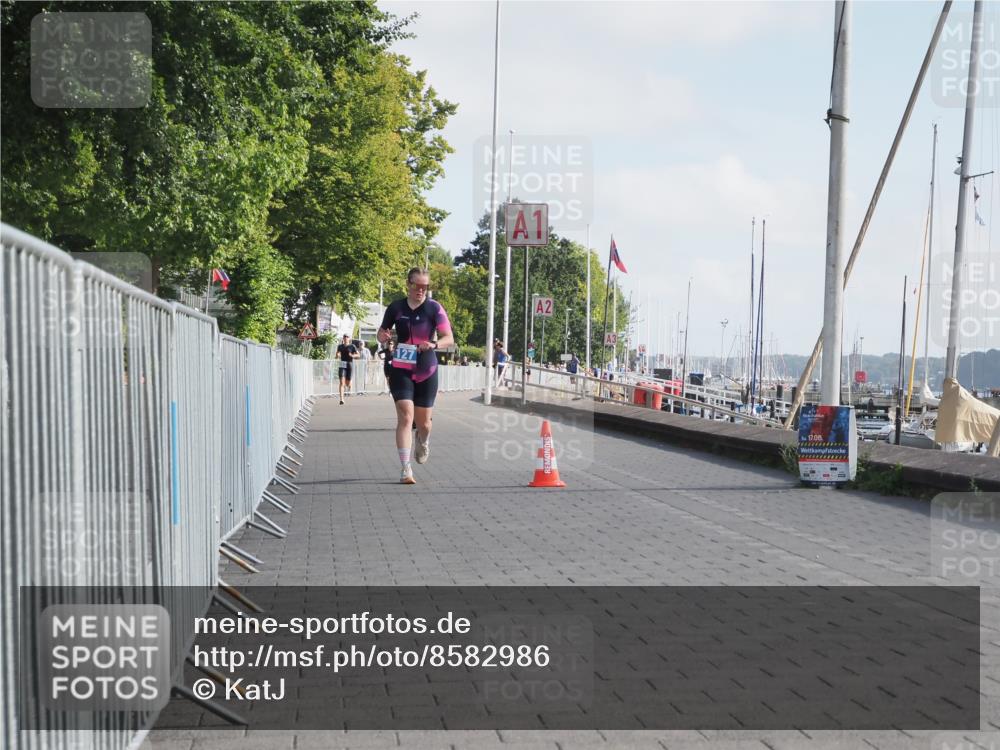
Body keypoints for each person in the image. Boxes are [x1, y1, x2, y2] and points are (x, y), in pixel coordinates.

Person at [377, 267, 454, 484]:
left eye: (425, 287)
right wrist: (382, 336)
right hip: (401, 367)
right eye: (417, 286)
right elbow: (381, 332)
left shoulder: (434, 308)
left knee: (424, 423)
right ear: (408, 284)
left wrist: (434, 344)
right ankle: (405, 468)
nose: (421, 290)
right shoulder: (396, 307)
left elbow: (449, 338)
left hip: (426, 369)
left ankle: (423, 439)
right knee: (405, 416)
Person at [335, 333, 360, 405]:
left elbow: (358, 355)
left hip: (349, 365)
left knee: (347, 383)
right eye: (344, 337)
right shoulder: (340, 346)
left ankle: (349, 384)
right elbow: (337, 355)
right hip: (342, 364)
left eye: (347, 337)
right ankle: (341, 399)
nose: (346, 338)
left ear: (349, 339)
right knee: (342, 383)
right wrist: (337, 355)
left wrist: (352, 355)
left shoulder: (352, 346)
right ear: (343, 338)